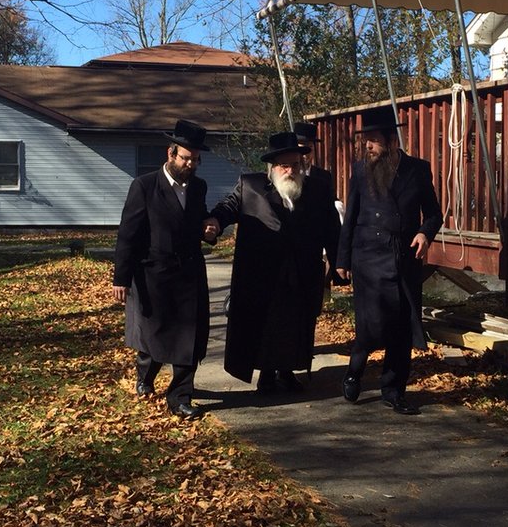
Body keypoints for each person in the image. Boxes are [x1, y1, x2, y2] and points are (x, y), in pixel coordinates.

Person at [205, 130, 340, 393]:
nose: (291, 170)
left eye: (296, 164)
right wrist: (214, 223)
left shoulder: (317, 189)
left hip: (301, 272)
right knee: (267, 325)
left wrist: (339, 262)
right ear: (273, 167)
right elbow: (228, 207)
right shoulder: (251, 186)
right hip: (264, 273)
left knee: (295, 324)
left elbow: (331, 228)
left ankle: (288, 371)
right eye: (285, 165)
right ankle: (266, 375)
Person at [335, 105, 441, 415]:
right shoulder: (360, 171)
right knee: (371, 324)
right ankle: (355, 368)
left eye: (373, 139)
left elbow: (433, 212)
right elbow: (350, 218)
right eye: (364, 140)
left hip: (403, 257)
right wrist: (343, 259)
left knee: (401, 327)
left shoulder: (417, 170)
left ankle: (393, 390)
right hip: (368, 257)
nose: (367, 146)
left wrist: (425, 233)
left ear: (391, 140)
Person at [113, 119, 213, 419]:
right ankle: (145, 377)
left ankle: (180, 397)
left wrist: (208, 230)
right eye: (186, 158)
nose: (191, 165)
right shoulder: (144, 186)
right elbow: (128, 235)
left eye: (196, 160)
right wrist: (122, 278)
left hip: (190, 273)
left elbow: (197, 221)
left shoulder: (198, 187)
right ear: (171, 154)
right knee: (155, 339)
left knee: (189, 338)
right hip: (154, 274)